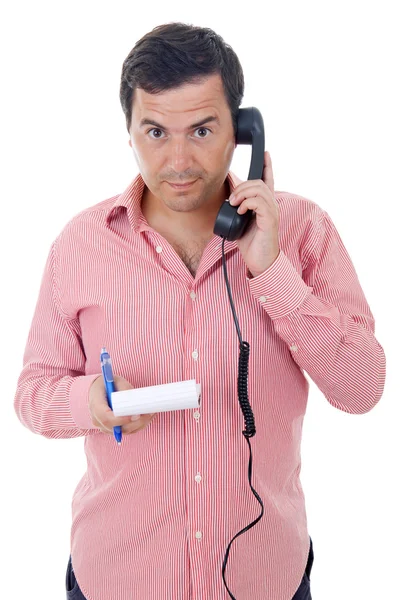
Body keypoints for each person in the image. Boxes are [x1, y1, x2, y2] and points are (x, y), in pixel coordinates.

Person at [14, 22, 386, 600]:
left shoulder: (304, 231)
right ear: (129, 132)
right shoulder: (80, 246)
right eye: (156, 131)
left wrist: (270, 270)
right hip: (115, 578)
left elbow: (362, 388)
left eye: (202, 129)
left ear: (242, 132)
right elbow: (32, 392)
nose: (179, 159)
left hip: (264, 578)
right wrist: (87, 402)